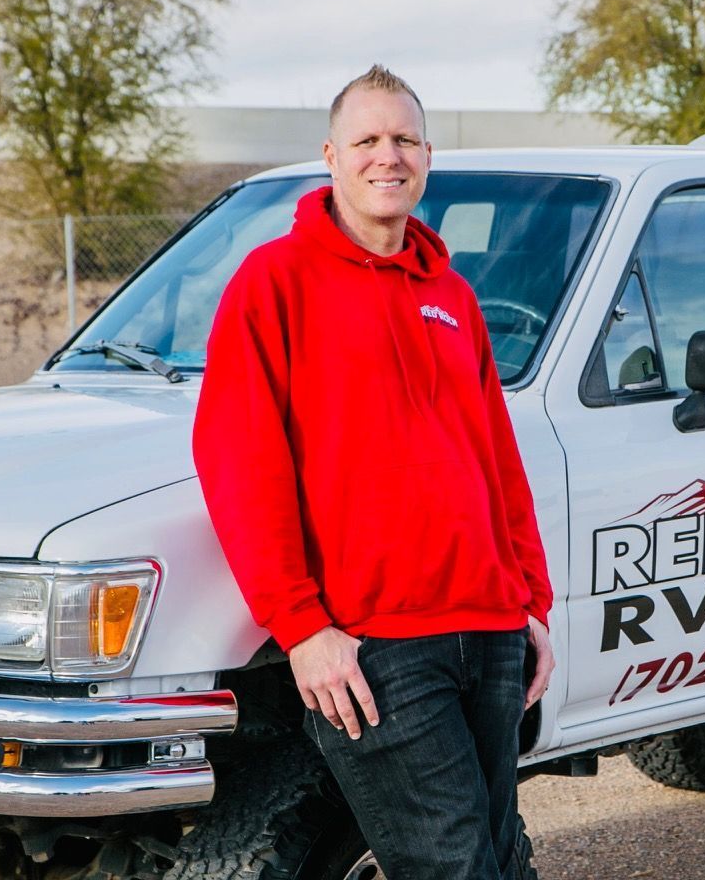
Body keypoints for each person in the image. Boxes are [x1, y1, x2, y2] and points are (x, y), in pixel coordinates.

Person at [192, 64, 554, 880]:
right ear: (331, 154)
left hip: (490, 631)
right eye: (367, 140)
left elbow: (495, 458)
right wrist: (303, 628)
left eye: (404, 139)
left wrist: (530, 600)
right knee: (453, 866)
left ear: (427, 155)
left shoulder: (453, 295)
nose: (387, 156)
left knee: (500, 858)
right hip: (377, 645)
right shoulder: (273, 284)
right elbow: (239, 463)